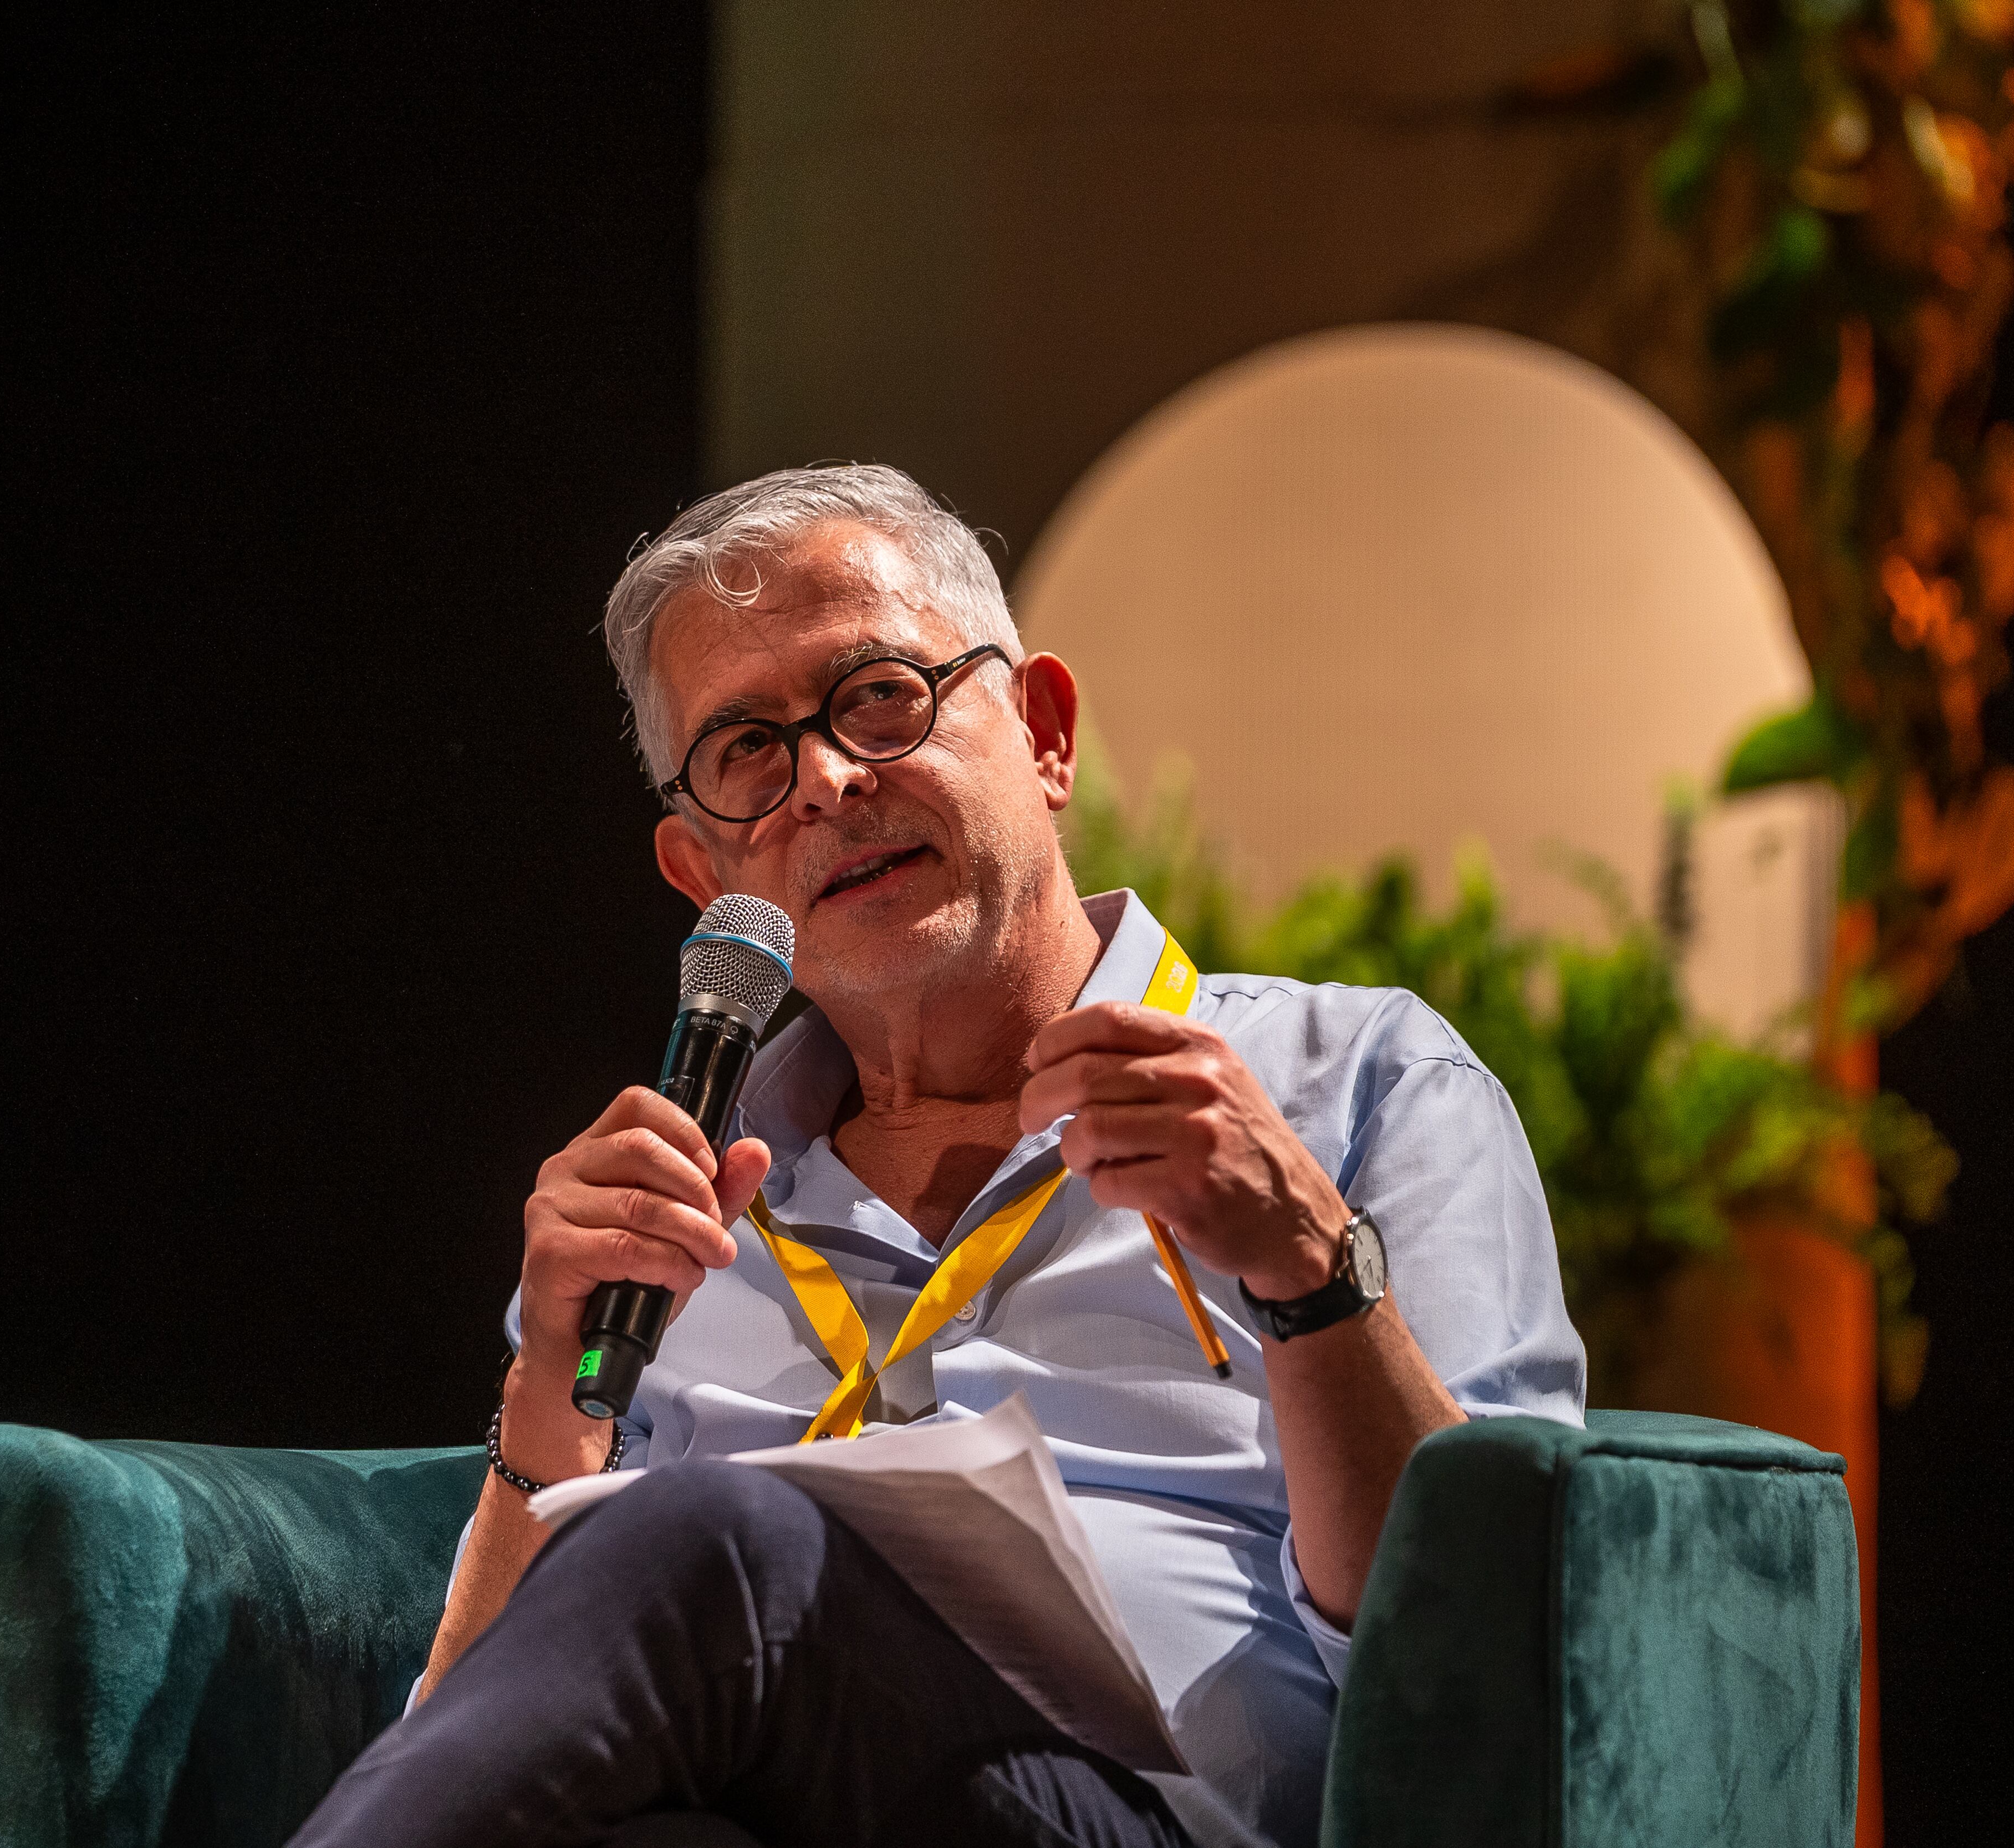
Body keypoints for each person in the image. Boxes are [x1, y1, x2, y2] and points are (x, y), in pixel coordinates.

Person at [289, 465, 1584, 1848]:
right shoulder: (668, 1214)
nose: (828, 781)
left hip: (1151, 1821)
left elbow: (1490, 1652)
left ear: (1042, 731)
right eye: (746, 751)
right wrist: (552, 1381)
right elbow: (472, 1738)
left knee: (725, 1541)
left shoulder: (1358, 1084)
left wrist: (1309, 1271)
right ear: (699, 873)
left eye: (878, 696)